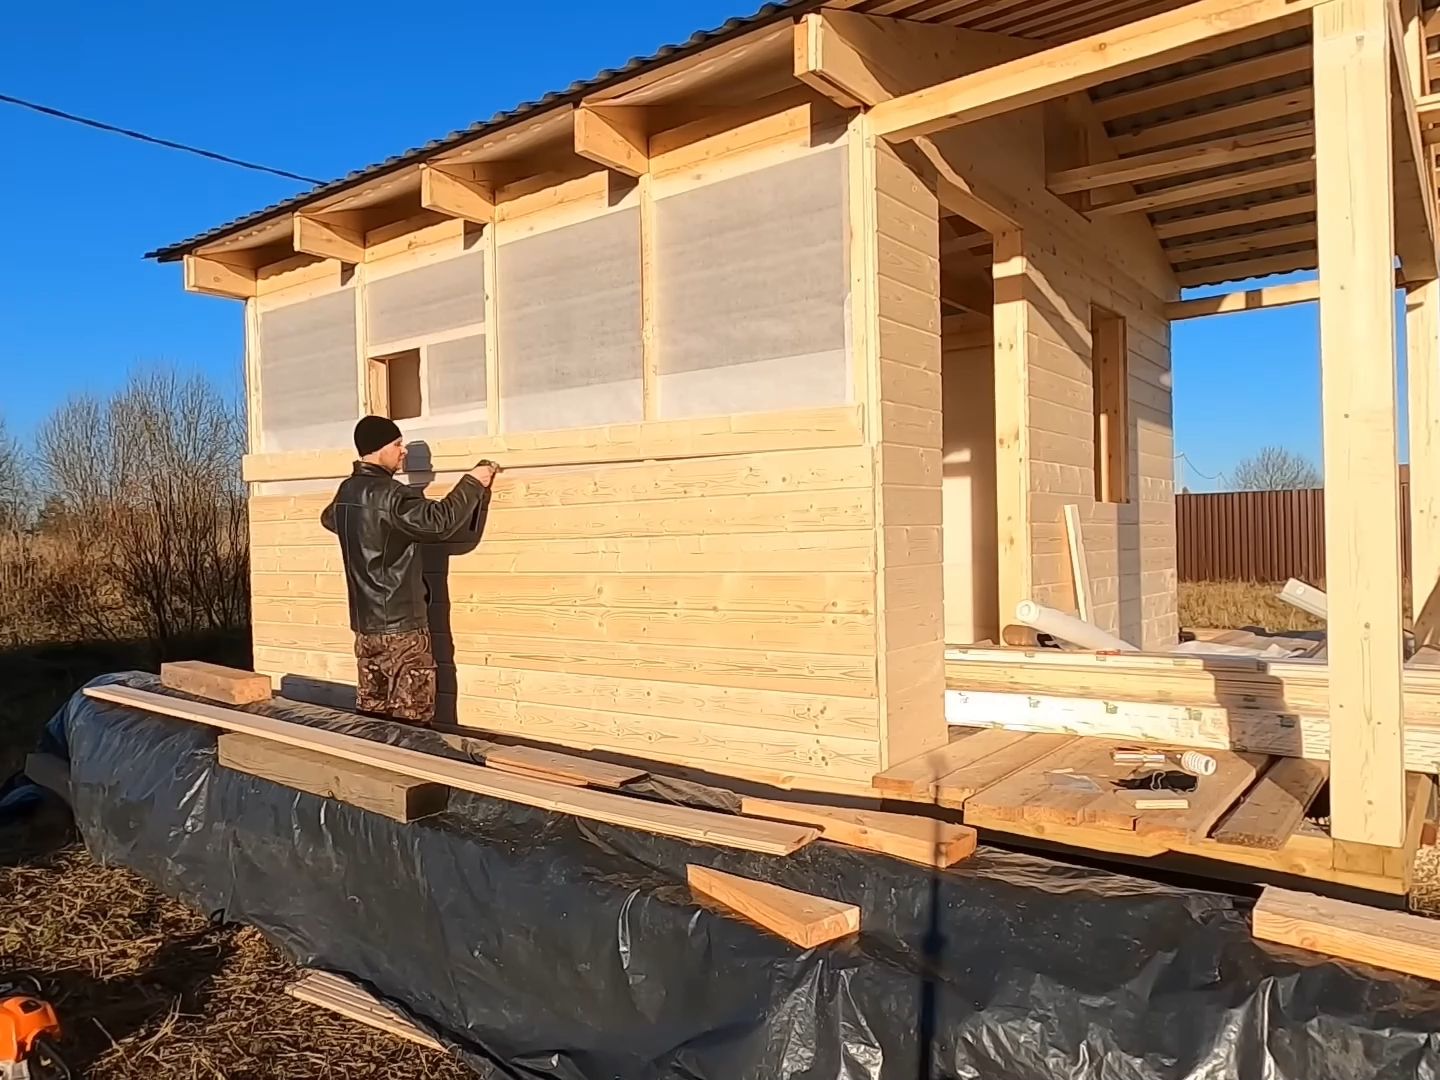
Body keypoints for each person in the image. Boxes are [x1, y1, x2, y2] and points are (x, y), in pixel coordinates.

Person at [321, 415, 498, 727]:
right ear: (378, 449)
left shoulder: (346, 493)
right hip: (402, 629)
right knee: (412, 720)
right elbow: (440, 521)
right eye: (397, 444)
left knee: (372, 716)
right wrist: (474, 481)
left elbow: (329, 519)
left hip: (365, 629)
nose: (403, 451)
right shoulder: (392, 495)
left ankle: (374, 772)